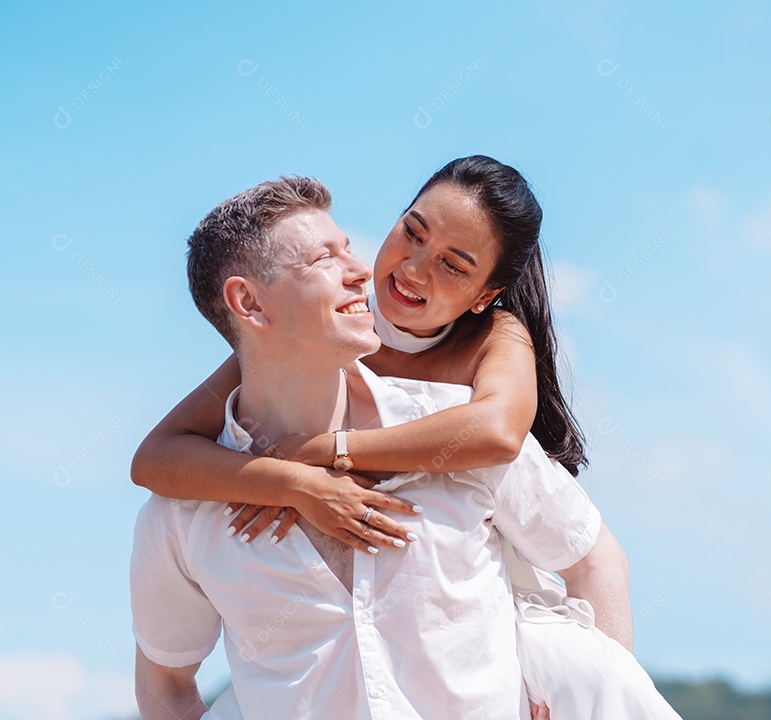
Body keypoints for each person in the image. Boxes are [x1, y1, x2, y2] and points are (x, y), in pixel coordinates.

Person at [133, 158, 681, 717]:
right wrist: (292, 482)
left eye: (453, 266)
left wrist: (332, 453)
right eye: (412, 232)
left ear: (483, 295)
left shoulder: (489, 349)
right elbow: (156, 457)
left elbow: (498, 434)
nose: (409, 269)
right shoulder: (313, 333)